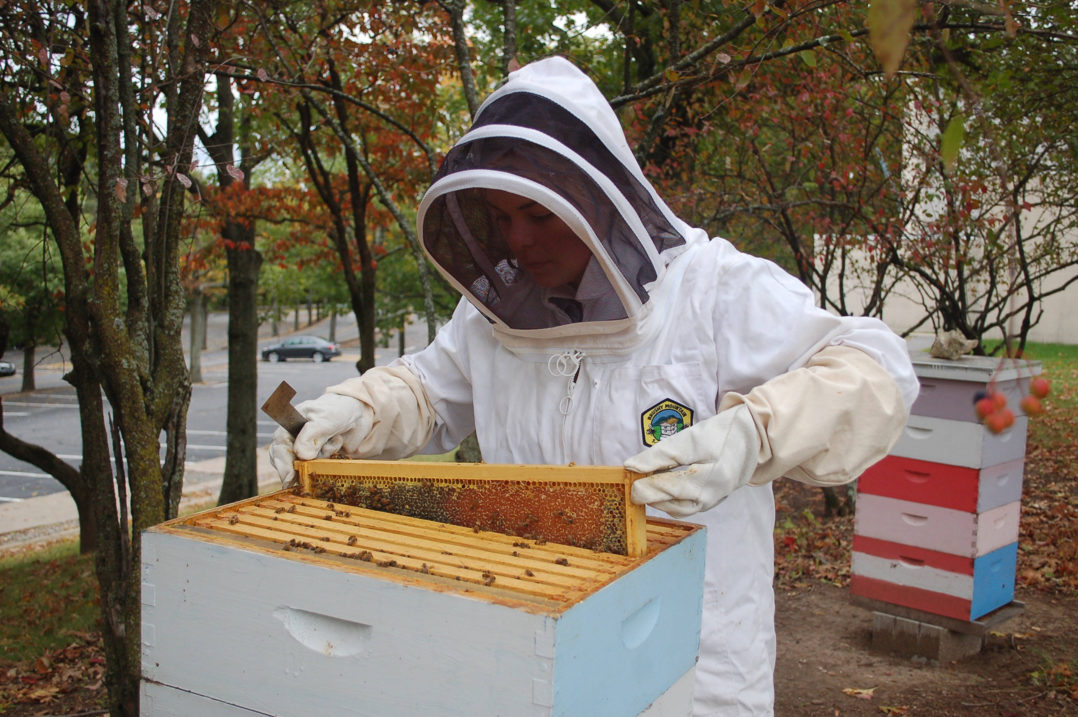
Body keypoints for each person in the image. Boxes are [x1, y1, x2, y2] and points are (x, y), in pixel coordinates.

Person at [269, 56, 919, 716]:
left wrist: (759, 431)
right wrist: (357, 409)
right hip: (533, 645)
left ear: (596, 199)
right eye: (502, 217)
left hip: (697, 668)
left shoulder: (715, 292)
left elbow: (875, 368)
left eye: (537, 214)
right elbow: (428, 391)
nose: (518, 240)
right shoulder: (493, 318)